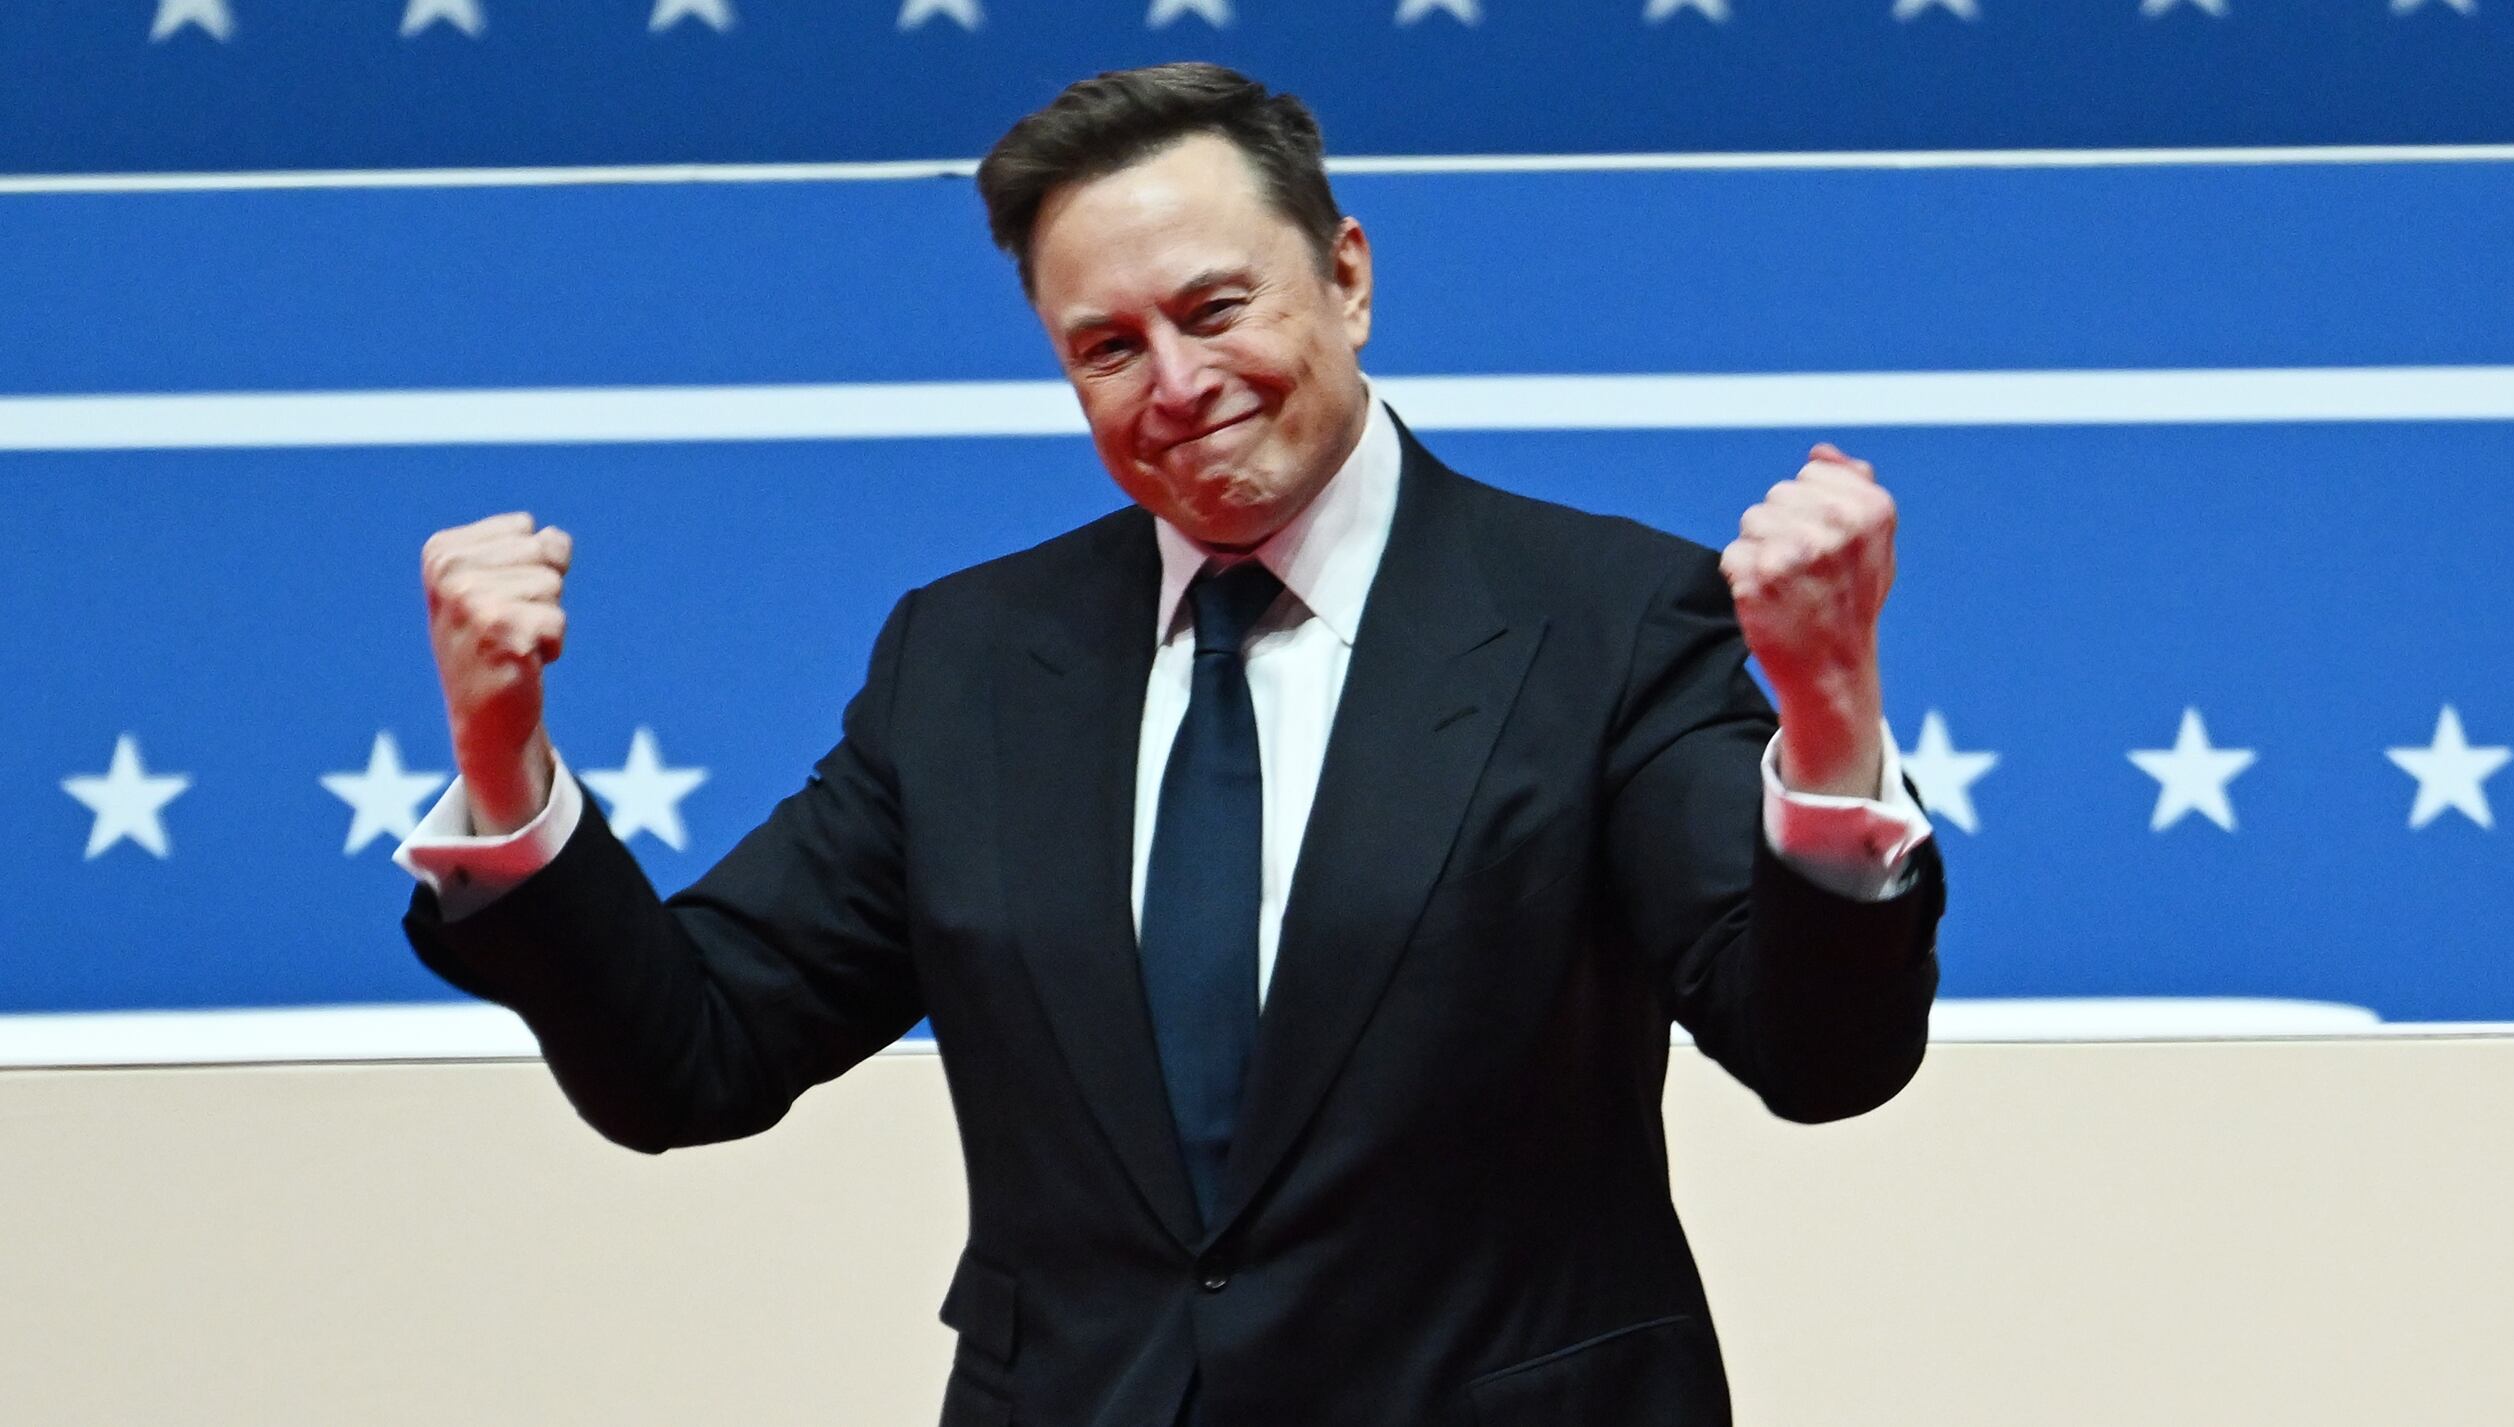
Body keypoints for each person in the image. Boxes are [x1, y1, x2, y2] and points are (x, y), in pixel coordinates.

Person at [395, 62, 1945, 1427]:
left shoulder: (1601, 615)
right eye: (1108, 347)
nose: (1178, 385)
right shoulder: (972, 659)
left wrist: (1823, 717)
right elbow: (693, 1058)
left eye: (1215, 309)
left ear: (1345, 277)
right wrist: (505, 756)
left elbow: (1818, 1058)